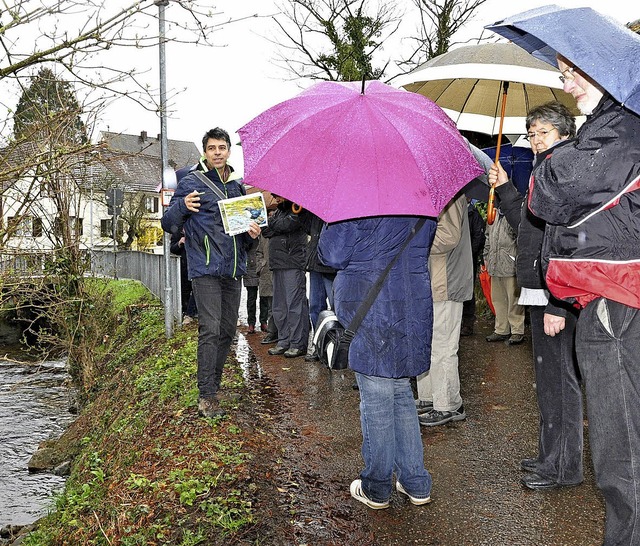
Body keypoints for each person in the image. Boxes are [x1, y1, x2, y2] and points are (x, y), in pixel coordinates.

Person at [489, 101, 583, 491]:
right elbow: (528, 227)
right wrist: (506, 188)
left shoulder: (563, 169)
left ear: (563, 133)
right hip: (538, 286)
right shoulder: (544, 170)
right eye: (531, 134)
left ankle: (563, 467)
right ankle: (551, 455)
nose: (535, 139)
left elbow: (567, 238)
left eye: (542, 132)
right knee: (547, 379)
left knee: (559, 381)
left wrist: (557, 301)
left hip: (553, 291)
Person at [318, 215, 436, 510]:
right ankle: (415, 481)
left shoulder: (355, 202)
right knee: (401, 394)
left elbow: (331, 254)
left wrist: (330, 221)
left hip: (371, 310)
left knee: (377, 399)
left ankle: (377, 486)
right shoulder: (418, 195)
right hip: (412, 303)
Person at [161, 127, 261, 418]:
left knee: (228, 331)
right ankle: (207, 395)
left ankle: (214, 384)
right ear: (205, 152)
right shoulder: (191, 182)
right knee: (211, 329)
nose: (218, 152)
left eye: (222, 147)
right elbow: (167, 223)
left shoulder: (238, 188)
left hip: (232, 269)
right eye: (212, 148)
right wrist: (182, 205)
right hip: (204, 268)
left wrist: (252, 234)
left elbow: (243, 238)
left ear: (229, 151)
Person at [416, 193, 472, 426]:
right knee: (428, 342)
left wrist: (416, 241)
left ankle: (448, 404)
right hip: (433, 280)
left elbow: (448, 236)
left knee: (443, 344)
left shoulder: (450, 195)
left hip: (446, 281)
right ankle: (428, 397)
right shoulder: (434, 194)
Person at [261, 196, 309, 358]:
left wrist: (272, 224)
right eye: (274, 196)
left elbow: (288, 224)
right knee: (279, 306)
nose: (275, 197)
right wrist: (273, 225)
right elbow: (265, 230)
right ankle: (283, 340)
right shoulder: (279, 213)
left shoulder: (298, 207)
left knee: (294, 305)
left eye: (277, 195)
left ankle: (297, 343)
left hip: (293, 262)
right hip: (277, 263)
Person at [483, 201, 525, 345]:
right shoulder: (492, 214)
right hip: (495, 264)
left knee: (514, 301)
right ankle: (501, 329)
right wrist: (486, 256)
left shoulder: (514, 214)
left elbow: (521, 238)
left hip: (511, 264)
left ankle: (517, 330)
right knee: (498, 299)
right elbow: (488, 237)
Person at [302, 211, 336, 362]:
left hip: (331, 266)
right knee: (315, 307)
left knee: (337, 309)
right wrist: (301, 213)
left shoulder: (336, 206)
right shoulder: (315, 209)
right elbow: (307, 228)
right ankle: (319, 346)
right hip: (316, 265)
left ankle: (337, 347)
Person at [460, 198, 485, 336]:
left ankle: (468, 323)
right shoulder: (456, 212)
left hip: (469, 258)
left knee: (468, 290)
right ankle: (458, 322)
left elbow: (479, 237)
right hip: (457, 259)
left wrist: (469, 253)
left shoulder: (474, 215)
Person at [170, 229, 198, 324]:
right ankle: (185, 312)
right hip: (184, 266)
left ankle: (190, 313)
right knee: (185, 290)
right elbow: (173, 249)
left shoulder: (197, 228)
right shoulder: (177, 232)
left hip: (197, 266)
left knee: (197, 289)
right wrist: (179, 243)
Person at [243, 241, 260, 334]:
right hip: (250, 265)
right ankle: (251, 323)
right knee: (251, 298)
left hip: (263, 265)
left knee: (265, 298)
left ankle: (264, 321)